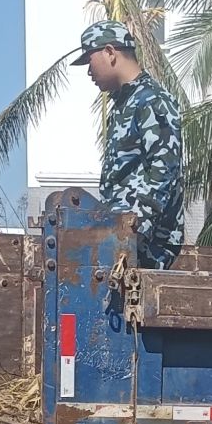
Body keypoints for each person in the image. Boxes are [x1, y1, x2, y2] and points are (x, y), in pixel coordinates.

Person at [77, 21, 183, 270]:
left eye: (90, 60)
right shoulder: (126, 103)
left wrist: (134, 231)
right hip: (122, 234)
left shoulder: (152, 100)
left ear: (110, 53)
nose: (89, 71)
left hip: (145, 243)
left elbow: (164, 168)